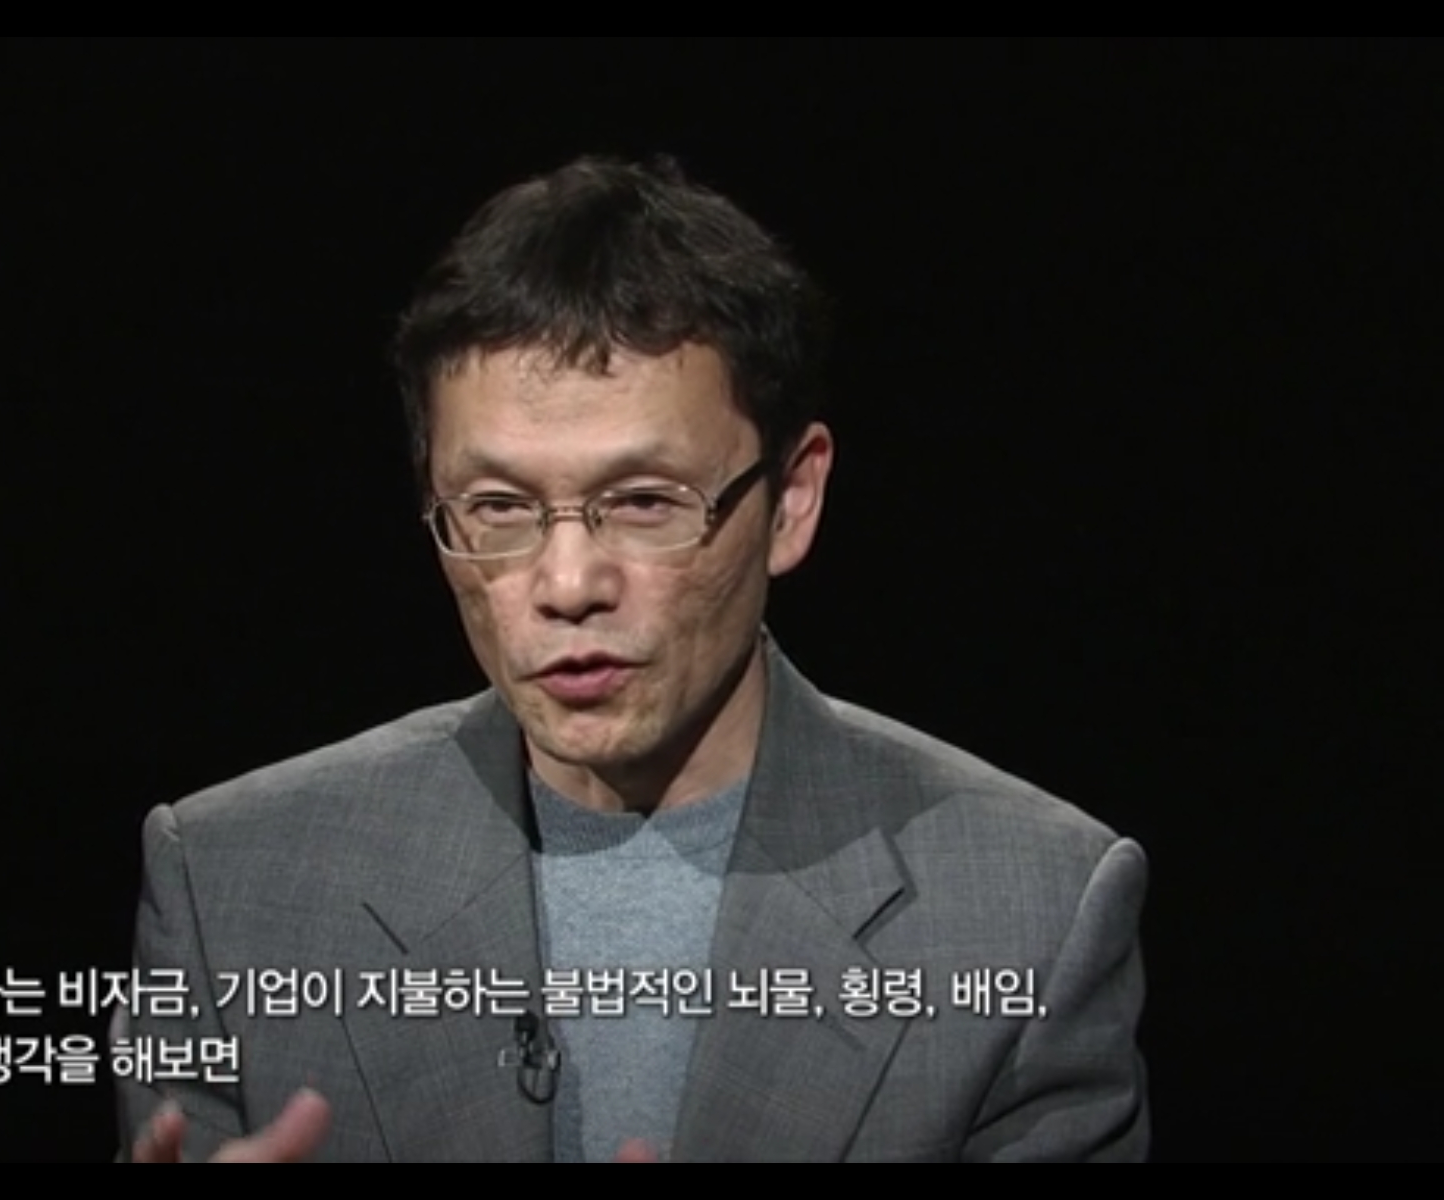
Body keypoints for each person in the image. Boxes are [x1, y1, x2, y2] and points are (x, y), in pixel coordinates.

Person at [114, 155, 1149, 1162]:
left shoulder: (1031, 913)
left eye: (645, 502)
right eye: (497, 508)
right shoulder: (230, 888)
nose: (567, 584)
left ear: (791, 499)